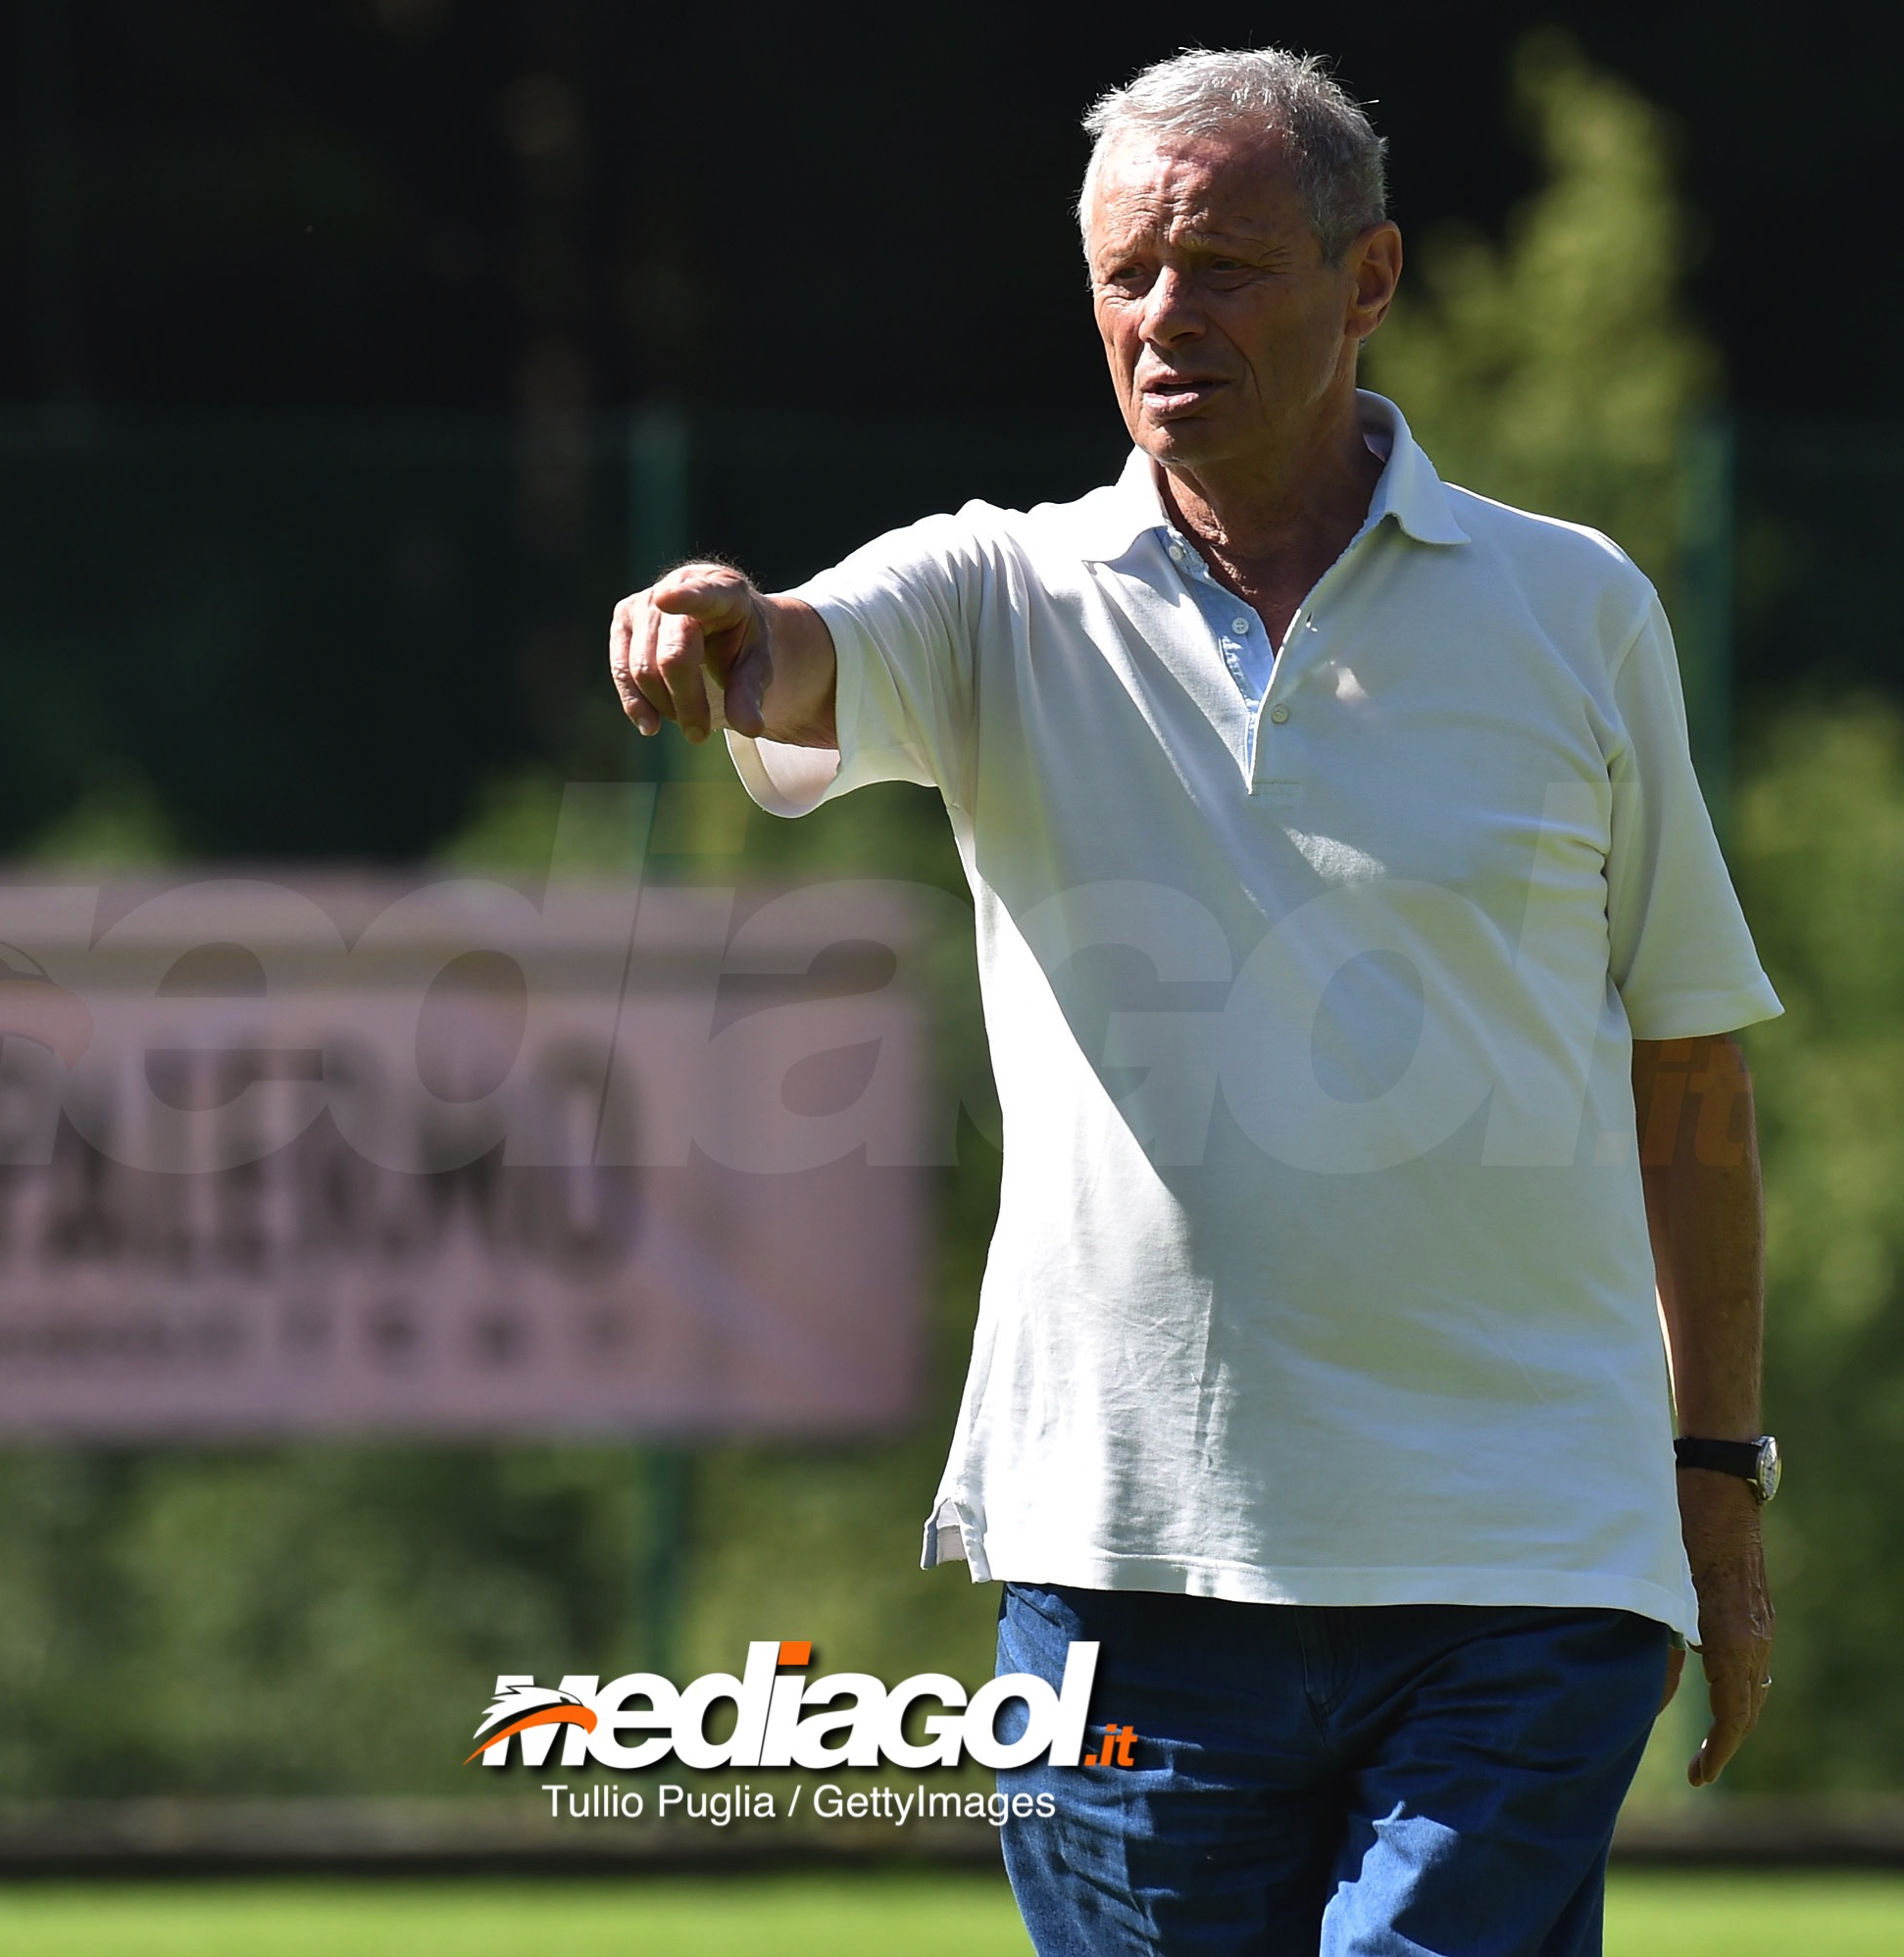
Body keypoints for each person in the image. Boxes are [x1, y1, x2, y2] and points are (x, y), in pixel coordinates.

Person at [605, 44, 1780, 1957]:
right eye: (1125, 276)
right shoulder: (1003, 593)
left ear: (1369, 280)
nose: (1166, 318)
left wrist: (1716, 1479)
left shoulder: (1577, 612)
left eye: (1224, 265)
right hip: (1124, 1563)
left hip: (1522, 1563)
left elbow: (1692, 1072)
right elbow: (805, 656)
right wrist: (728, 628)